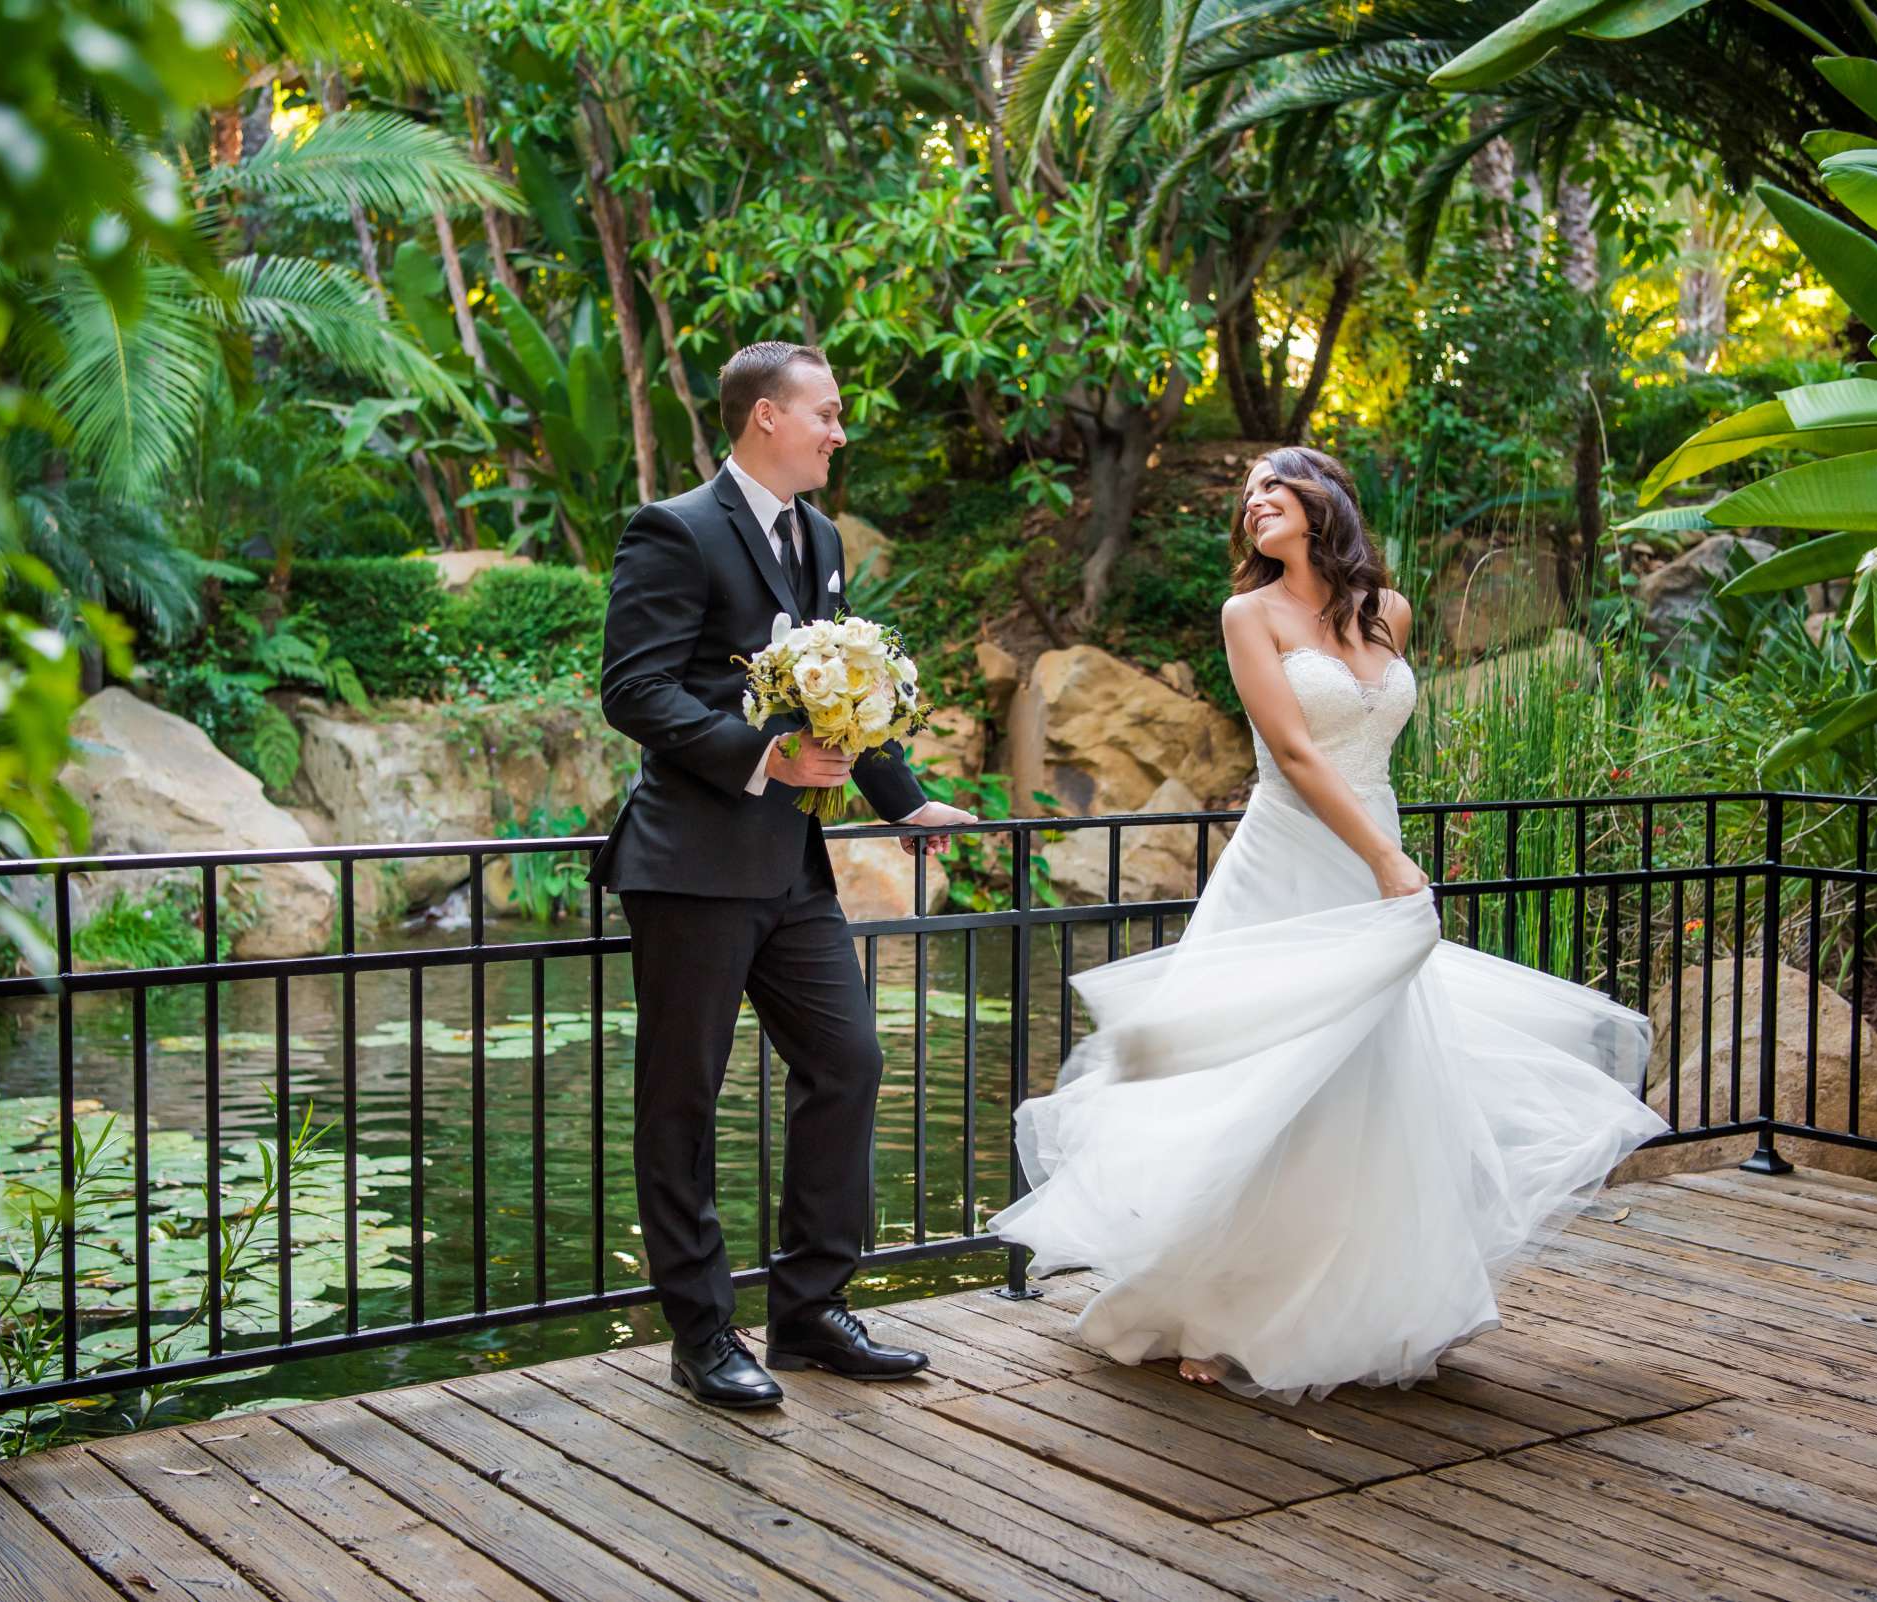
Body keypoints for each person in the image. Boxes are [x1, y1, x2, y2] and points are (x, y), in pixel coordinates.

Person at [991, 444, 1666, 1396]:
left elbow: (1371, 739)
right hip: (1291, 860)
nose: (1255, 504)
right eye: (1247, 496)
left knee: (1374, 1076)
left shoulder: (1388, 610)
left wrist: (1386, 852)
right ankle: (1213, 1308)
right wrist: (1388, 859)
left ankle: (1365, 1302)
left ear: (1322, 501)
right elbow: (1301, 755)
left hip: (1374, 846)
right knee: (1269, 1078)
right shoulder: (1248, 614)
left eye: (1274, 487)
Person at [590, 341, 975, 1409]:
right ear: (766, 418)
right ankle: (702, 1333)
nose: (840, 432)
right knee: (683, 1101)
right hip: (689, 866)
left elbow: (841, 702)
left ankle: (808, 1313)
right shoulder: (674, 530)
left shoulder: (821, 537)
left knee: (849, 1062)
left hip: (794, 867)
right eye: (828, 413)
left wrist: (904, 801)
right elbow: (634, 692)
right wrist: (759, 753)